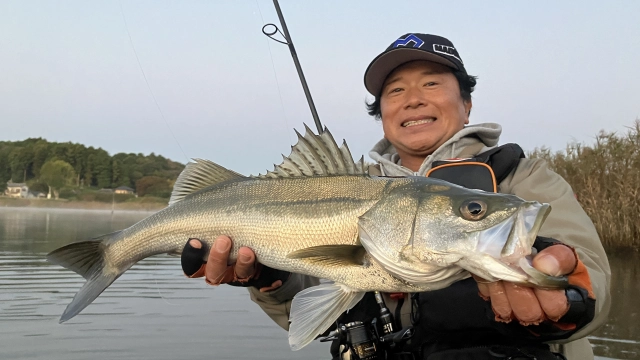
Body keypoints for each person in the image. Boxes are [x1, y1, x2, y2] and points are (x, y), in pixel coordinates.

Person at [181, 33, 611, 359]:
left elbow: (593, 280)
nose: (413, 100)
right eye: (395, 91)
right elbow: (303, 312)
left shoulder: (523, 175)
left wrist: (569, 296)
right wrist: (266, 281)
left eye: (432, 83)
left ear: (467, 104)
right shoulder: (350, 185)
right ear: (381, 111)